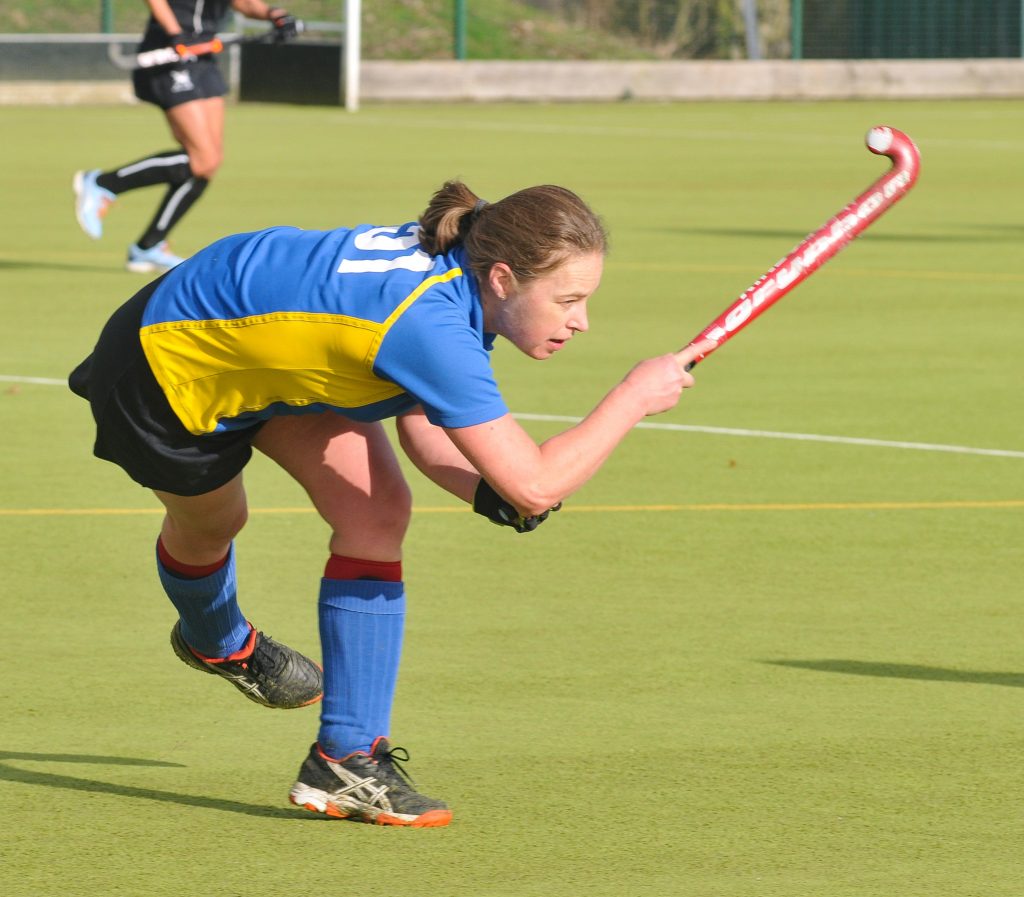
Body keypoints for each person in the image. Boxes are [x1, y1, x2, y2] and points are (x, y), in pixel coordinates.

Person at [69, 179, 713, 828]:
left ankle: (346, 761)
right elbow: (536, 484)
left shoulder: (460, 281)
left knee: (377, 516)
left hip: (270, 352)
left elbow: (425, 426)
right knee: (215, 523)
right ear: (501, 279)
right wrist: (634, 395)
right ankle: (218, 640)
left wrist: (490, 492)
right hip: (167, 359)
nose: (581, 320)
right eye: (568, 300)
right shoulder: (431, 323)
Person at [72, 0, 301, 273]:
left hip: (202, 56)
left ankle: (148, 247)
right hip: (169, 53)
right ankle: (102, 183)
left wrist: (274, 15)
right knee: (201, 158)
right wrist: (175, 34)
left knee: (209, 162)